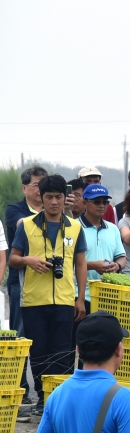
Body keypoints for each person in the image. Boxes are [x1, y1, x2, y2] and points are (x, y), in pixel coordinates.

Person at [10, 175, 89, 414]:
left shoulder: (75, 226)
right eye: (49, 197)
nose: (54, 202)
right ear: (41, 199)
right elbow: (13, 259)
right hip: (34, 300)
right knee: (39, 353)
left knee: (63, 352)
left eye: (58, 197)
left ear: (66, 199)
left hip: (65, 300)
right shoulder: (27, 224)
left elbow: (81, 264)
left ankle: (60, 401)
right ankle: (44, 399)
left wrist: (80, 298)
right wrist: (28, 260)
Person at [8, 165, 45, 401]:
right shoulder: (15, 210)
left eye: (46, 186)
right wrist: (54, 211)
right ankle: (20, 391)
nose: (42, 191)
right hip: (20, 283)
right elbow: (24, 224)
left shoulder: (59, 211)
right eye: (37, 185)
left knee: (43, 339)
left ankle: (44, 392)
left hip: (48, 284)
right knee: (19, 338)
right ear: (24, 188)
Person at [79, 184, 127, 313]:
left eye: (105, 202)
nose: (102, 205)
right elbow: (67, 261)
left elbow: (121, 257)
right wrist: (93, 265)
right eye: (96, 202)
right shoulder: (74, 227)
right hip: (80, 296)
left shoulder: (113, 228)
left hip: (107, 296)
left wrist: (117, 266)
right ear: (84, 203)